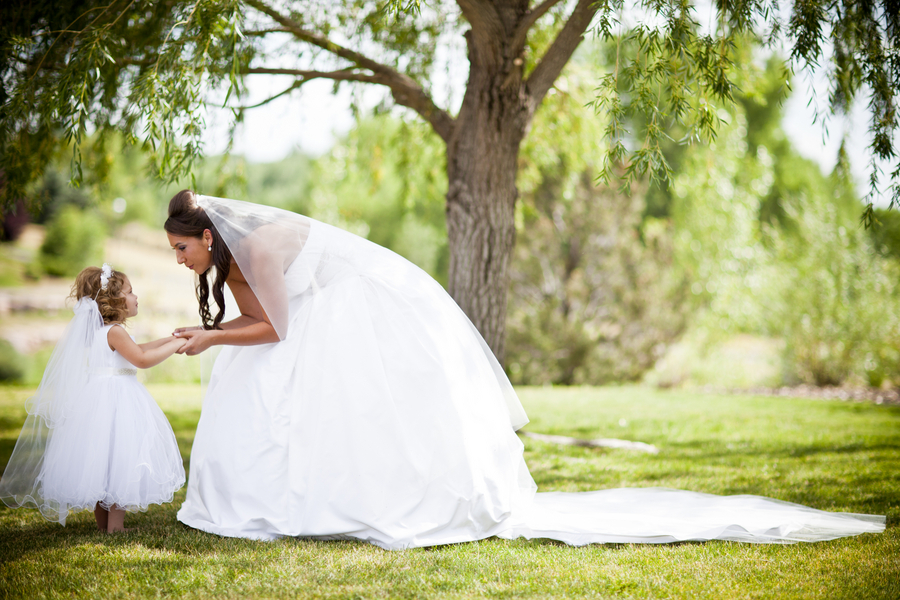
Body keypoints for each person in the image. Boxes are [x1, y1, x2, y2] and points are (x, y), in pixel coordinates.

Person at [165, 191, 885, 549]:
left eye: (180, 250)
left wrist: (210, 338)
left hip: (369, 311)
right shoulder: (236, 259)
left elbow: (279, 330)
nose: (179, 262)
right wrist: (211, 335)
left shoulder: (253, 251)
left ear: (206, 234)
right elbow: (269, 328)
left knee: (364, 411)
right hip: (336, 314)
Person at [0, 265, 187, 532]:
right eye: (131, 292)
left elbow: (139, 348)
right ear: (114, 300)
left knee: (101, 462)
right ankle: (116, 527)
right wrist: (177, 345)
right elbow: (142, 359)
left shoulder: (103, 333)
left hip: (97, 401)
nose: (136, 297)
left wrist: (171, 339)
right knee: (121, 458)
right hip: (118, 399)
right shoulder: (116, 332)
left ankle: (104, 525)